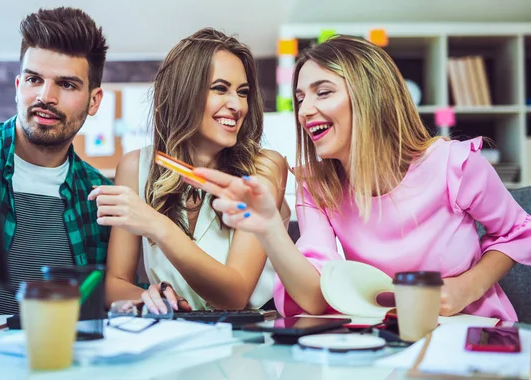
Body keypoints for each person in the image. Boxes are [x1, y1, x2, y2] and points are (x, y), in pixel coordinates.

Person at [190, 34, 531, 322]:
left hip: (475, 331)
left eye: (323, 92)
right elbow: (312, 298)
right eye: (300, 98)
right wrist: (270, 229)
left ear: (371, 95)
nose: (305, 110)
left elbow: (520, 231)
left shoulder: (453, 164)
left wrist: (469, 286)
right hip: (388, 340)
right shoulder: (318, 186)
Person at [89, 28, 289, 314]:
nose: (236, 105)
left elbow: (234, 295)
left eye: (242, 93)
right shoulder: (135, 166)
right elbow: (115, 281)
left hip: (251, 341)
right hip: (174, 337)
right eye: (220, 89)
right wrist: (149, 295)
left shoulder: (265, 167)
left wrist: (157, 225)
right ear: (183, 93)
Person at [0, 7, 112, 314]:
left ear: (94, 101)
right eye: (33, 79)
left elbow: (108, 302)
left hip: (59, 358)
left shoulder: (101, 196)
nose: (46, 96)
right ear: (18, 86)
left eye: (66, 84)